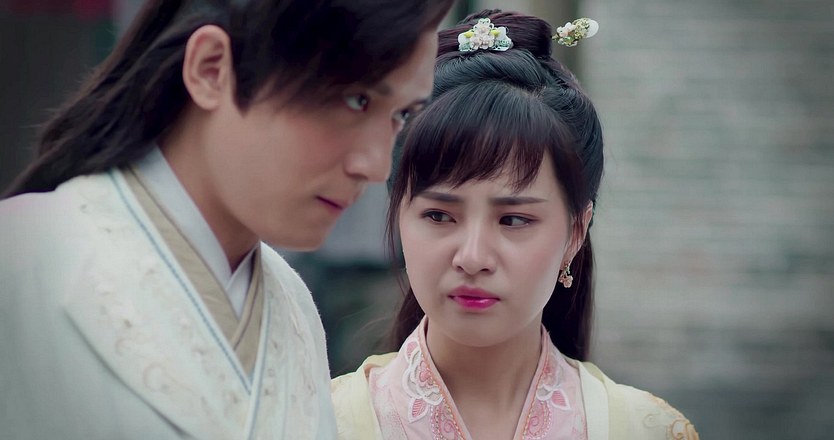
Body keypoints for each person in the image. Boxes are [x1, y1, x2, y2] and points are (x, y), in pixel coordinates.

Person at [0, 0, 453, 438]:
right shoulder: (23, 259)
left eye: (401, 115)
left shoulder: (293, 306)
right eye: (355, 100)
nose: (375, 166)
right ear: (212, 69)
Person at [331, 10, 699, 440]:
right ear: (398, 216)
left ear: (575, 234)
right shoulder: (317, 420)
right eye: (439, 215)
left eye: (513, 219)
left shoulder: (645, 429)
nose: (472, 258)